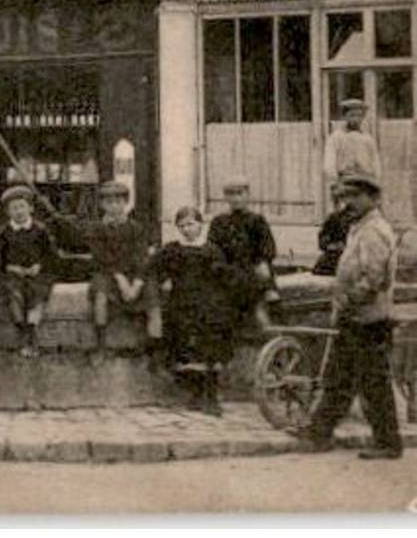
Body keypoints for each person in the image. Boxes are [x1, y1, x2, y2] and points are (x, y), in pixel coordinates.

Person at [295, 172, 403, 460]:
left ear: (373, 198)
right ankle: (319, 433)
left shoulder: (374, 230)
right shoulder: (359, 227)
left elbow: (374, 278)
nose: (349, 202)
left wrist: (350, 298)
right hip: (354, 316)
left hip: (369, 318)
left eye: (356, 196)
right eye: (345, 196)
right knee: (339, 379)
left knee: (373, 383)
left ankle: (388, 443)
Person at [39, 181, 162, 356]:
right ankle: (101, 344)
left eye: (118, 202)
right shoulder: (96, 229)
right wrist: (120, 279)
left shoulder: (136, 228)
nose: (114, 207)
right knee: (101, 294)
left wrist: (136, 283)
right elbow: (102, 257)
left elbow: (142, 258)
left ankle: (154, 349)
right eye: (109, 203)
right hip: (108, 272)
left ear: (125, 203)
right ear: (102, 205)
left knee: (153, 297)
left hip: (134, 275)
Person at [152, 205, 241, 416]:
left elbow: (224, 277)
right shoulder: (172, 249)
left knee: (211, 341)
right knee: (183, 343)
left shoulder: (211, 250)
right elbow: (154, 268)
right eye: (181, 225)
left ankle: (210, 396)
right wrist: (164, 281)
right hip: (181, 303)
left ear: (200, 225)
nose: (186, 229)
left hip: (208, 304)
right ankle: (194, 393)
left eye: (190, 224)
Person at [0, 185, 57, 358]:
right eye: (14, 208)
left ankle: (32, 330)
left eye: (22, 206)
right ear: (8, 212)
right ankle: (22, 331)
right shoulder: (3, 233)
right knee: (15, 294)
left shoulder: (40, 230)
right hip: (13, 275)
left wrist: (39, 266)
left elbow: (52, 256)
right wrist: (11, 267)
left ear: (30, 208)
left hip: (37, 274)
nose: (19, 211)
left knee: (37, 295)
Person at [207, 176, 280, 329]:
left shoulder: (256, 220)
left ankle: (269, 334)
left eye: (239, 193)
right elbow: (213, 248)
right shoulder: (219, 222)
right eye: (231, 194)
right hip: (228, 271)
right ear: (225, 197)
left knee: (260, 308)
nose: (235, 198)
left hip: (252, 269)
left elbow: (267, 248)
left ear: (247, 195)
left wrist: (262, 263)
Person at [324, 98, 381, 188]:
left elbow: (375, 163)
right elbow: (329, 163)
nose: (355, 119)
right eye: (352, 115)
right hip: (344, 182)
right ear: (344, 117)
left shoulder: (368, 139)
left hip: (366, 183)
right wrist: (334, 181)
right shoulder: (336, 138)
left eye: (359, 116)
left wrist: (376, 180)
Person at [314, 182, 356, 277]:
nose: (337, 203)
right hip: (334, 258)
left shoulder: (358, 219)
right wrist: (331, 245)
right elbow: (322, 241)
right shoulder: (333, 218)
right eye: (335, 200)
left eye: (341, 198)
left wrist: (347, 245)